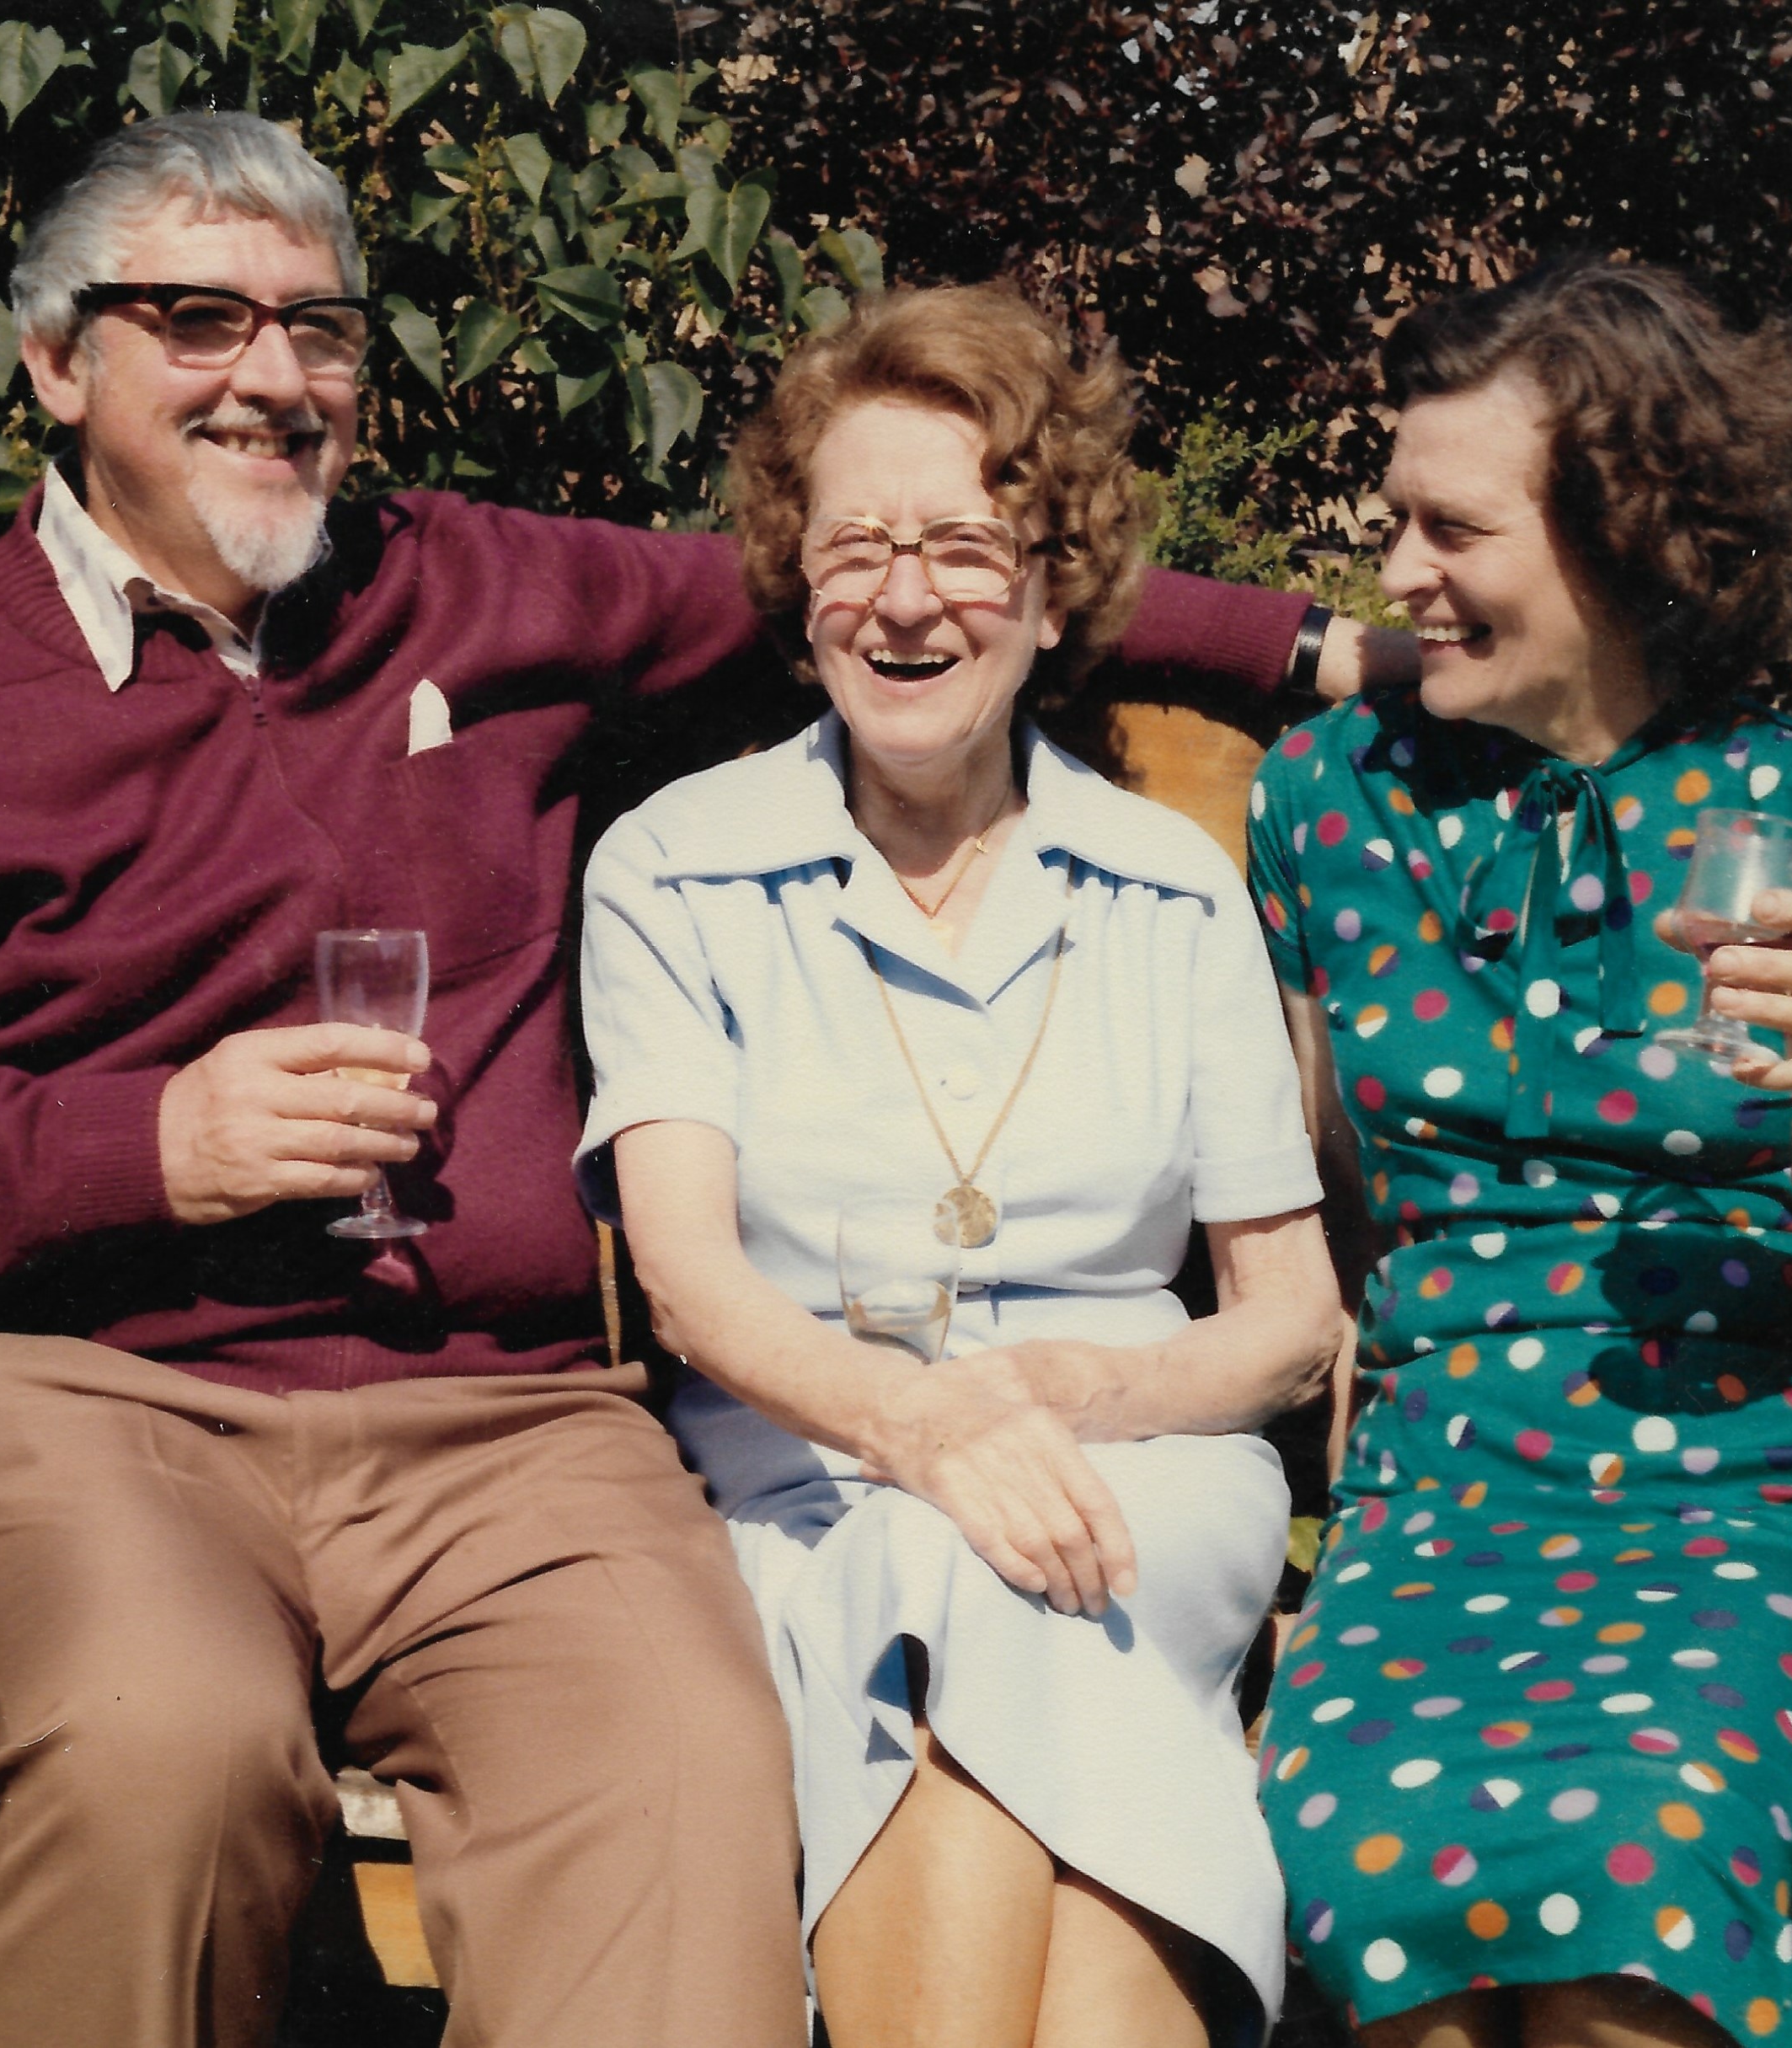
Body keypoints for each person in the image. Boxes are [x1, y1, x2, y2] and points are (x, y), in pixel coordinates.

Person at [0, 115, 1400, 2048]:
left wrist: (1327, 647)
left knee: (690, 1775)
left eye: (320, 330)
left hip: (513, 1431)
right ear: (58, 364)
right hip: (96, 1402)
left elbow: (910, 561)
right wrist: (144, 1139)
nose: (272, 377)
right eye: (197, 320)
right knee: (163, 1756)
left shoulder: (473, 589)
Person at [575, 282, 1345, 2048]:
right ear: (794, 583)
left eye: (963, 543)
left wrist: (1074, 1385)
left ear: (1054, 582)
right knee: (928, 1568)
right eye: (853, 546)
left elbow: (1285, 1314)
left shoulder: (1169, 888)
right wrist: (920, 1426)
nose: (903, 596)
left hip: (1126, 1480)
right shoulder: (677, 868)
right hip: (810, 1491)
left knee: (983, 1580)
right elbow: (689, 1277)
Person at [1244, 256, 1792, 2048]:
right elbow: (1323, 1223)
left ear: (1628, 535)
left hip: (1764, 1489)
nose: (1396, 572)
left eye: (1449, 526)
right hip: (1444, 1482)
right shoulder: (1326, 804)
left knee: (1639, 1871)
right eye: (1390, 518)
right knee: (1341, 1869)